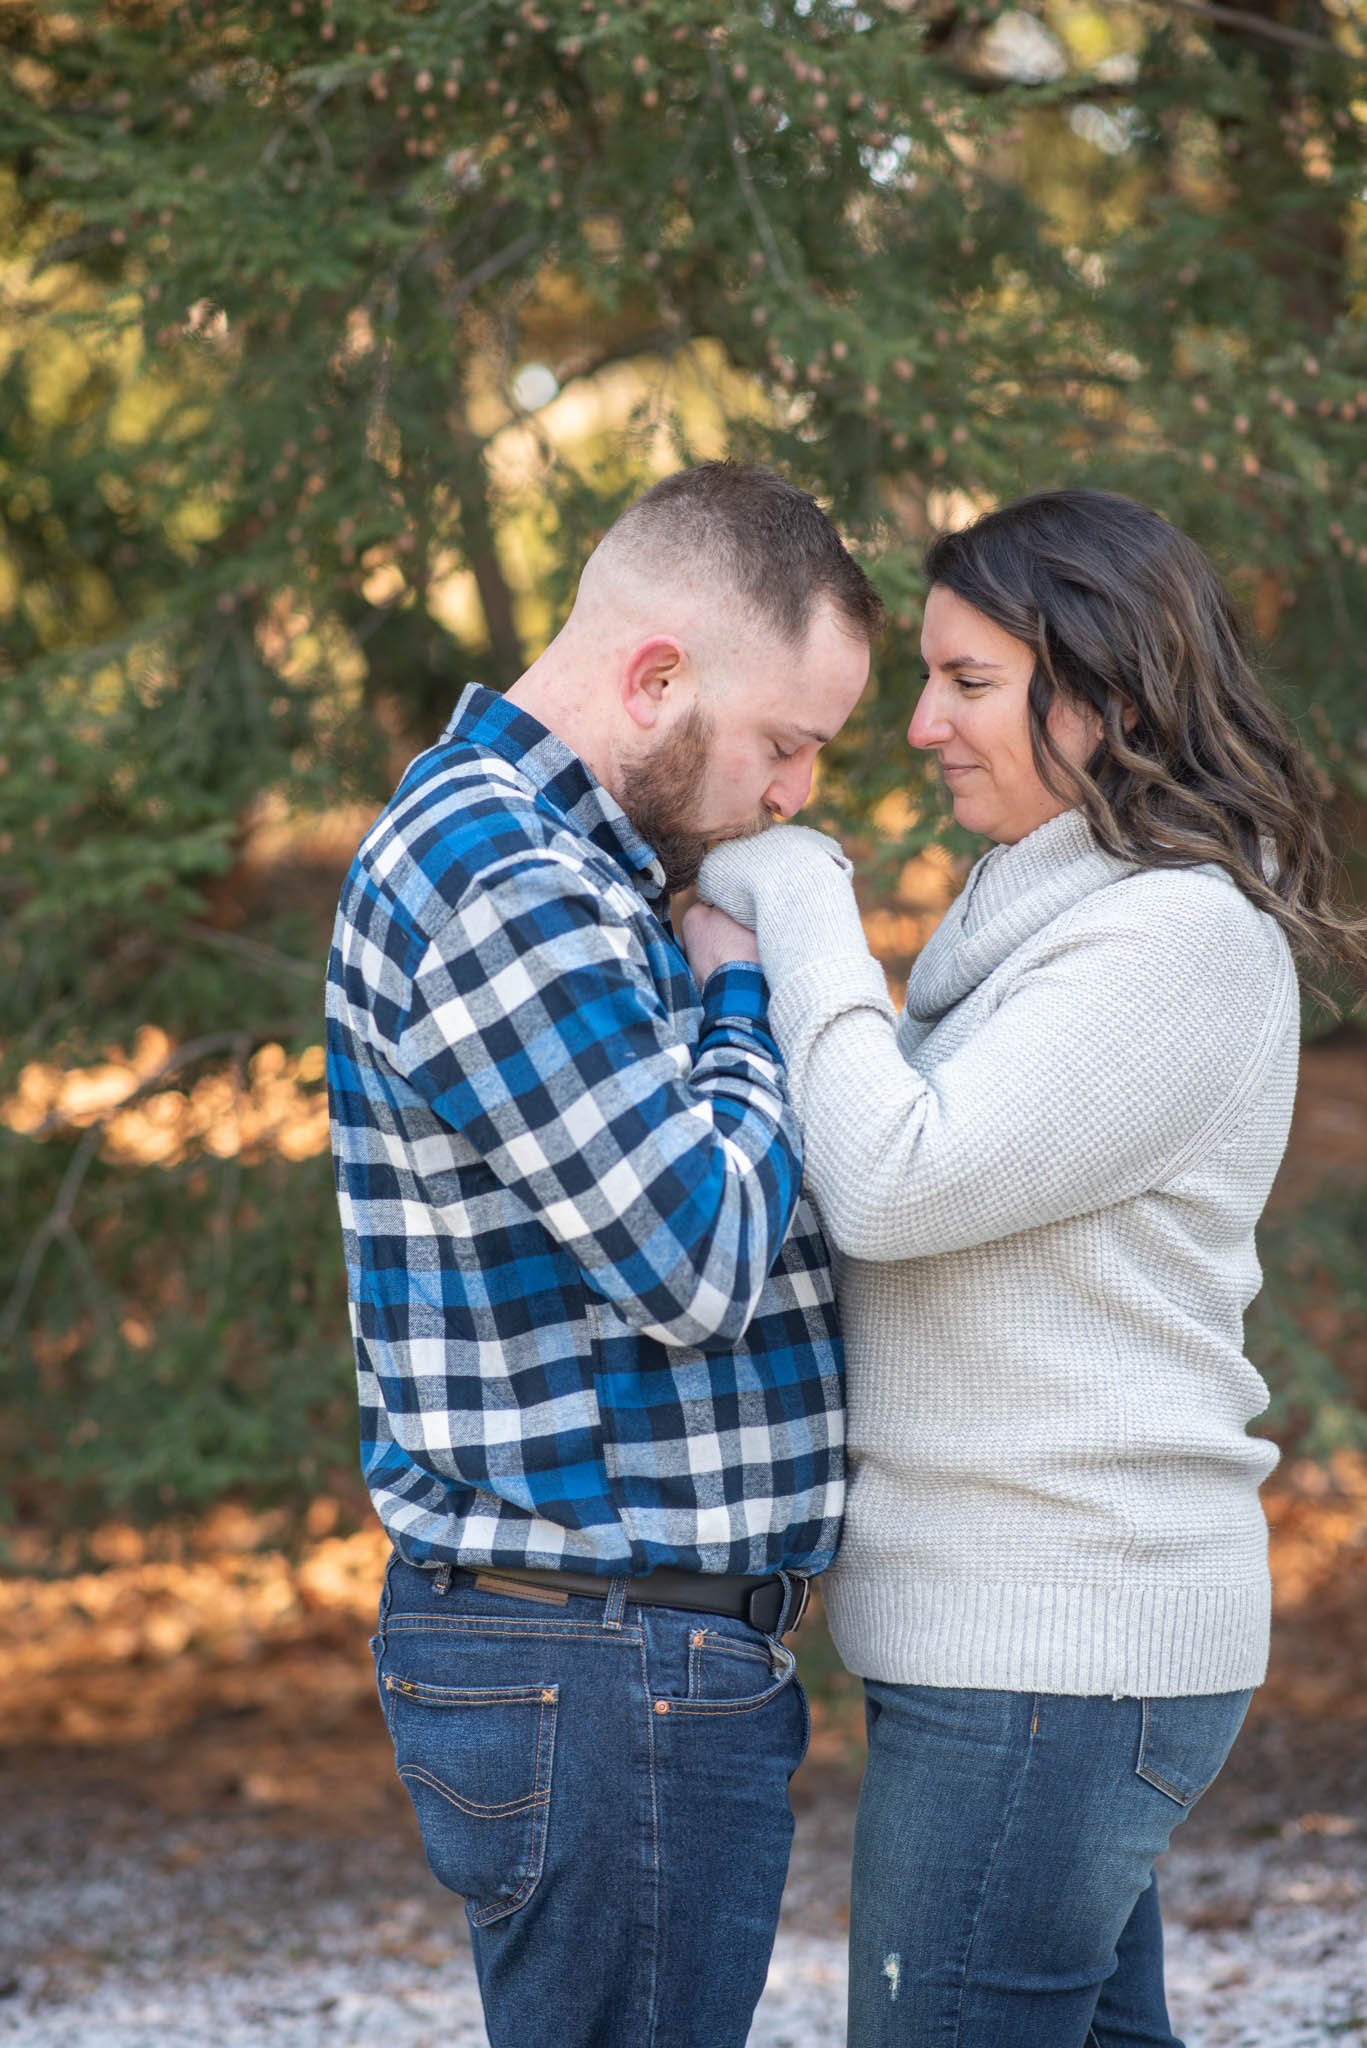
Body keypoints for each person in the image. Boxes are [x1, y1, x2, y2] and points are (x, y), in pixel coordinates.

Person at [694, 487, 1367, 2048]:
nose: (922, 723)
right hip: (1024, 1640)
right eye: (928, 677)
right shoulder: (1044, 920)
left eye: (970, 682)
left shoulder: (1175, 942)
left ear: (1112, 697)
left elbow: (896, 1176)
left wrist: (801, 902)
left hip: (1063, 1642)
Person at [325, 461, 882, 2048]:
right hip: (598, 1659)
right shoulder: (505, 877)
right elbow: (696, 1256)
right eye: (786, 746)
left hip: (619, 1659)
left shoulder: (576, 872)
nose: (791, 797)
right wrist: (737, 987)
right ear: (656, 680)